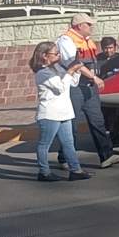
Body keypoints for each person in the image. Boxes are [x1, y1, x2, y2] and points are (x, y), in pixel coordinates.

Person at [56, 13, 119, 169]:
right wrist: (94, 78)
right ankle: (65, 158)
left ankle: (106, 156)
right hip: (75, 87)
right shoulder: (66, 41)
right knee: (72, 124)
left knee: (98, 122)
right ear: (79, 26)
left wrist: (94, 79)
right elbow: (73, 63)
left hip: (89, 87)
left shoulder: (86, 40)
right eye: (89, 24)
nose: (92, 27)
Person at [30, 41, 91, 181]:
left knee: (68, 143)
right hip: (50, 113)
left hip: (64, 111)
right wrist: (70, 71)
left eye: (58, 53)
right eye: (55, 53)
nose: (58, 55)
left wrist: (75, 69)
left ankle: (75, 170)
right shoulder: (43, 73)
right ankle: (44, 172)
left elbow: (72, 83)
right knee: (45, 144)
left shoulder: (57, 68)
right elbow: (60, 88)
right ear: (45, 56)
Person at [96, 37, 119, 145]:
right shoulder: (98, 58)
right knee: (103, 116)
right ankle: (105, 138)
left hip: (115, 91)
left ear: (114, 47)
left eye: (110, 48)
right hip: (101, 91)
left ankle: (115, 137)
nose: (108, 51)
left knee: (115, 116)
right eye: (105, 48)